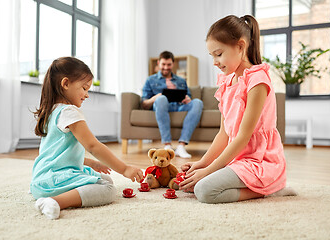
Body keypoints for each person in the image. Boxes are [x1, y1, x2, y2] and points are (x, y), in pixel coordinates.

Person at [179, 15, 296, 203]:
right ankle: (251, 183)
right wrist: (202, 163)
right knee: (193, 184)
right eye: (212, 56)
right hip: (238, 159)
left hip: (259, 161)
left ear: (240, 46)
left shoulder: (257, 81)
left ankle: (272, 188)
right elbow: (223, 135)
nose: (215, 62)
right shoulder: (226, 83)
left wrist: (209, 171)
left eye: (219, 54)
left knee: (205, 191)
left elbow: (243, 137)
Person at [31, 57, 143, 219]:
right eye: (84, 88)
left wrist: (91, 163)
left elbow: (56, 153)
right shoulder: (69, 111)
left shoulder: (50, 112)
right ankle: (53, 201)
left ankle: (48, 194)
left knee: (103, 178)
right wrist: (125, 169)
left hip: (41, 180)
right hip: (53, 181)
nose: (87, 95)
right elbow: (93, 146)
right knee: (107, 189)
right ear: (66, 84)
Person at [142, 51, 203, 159]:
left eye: (169, 64)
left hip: (179, 106)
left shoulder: (181, 81)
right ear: (158, 63)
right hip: (162, 106)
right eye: (163, 64)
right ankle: (167, 145)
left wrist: (187, 99)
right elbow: (144, 104)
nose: (166, 67)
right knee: (161, 99)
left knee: (197, 102)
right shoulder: (150, 80)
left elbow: (188, 97)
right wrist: (156, 97)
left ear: (173, 64)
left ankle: (181, 146)